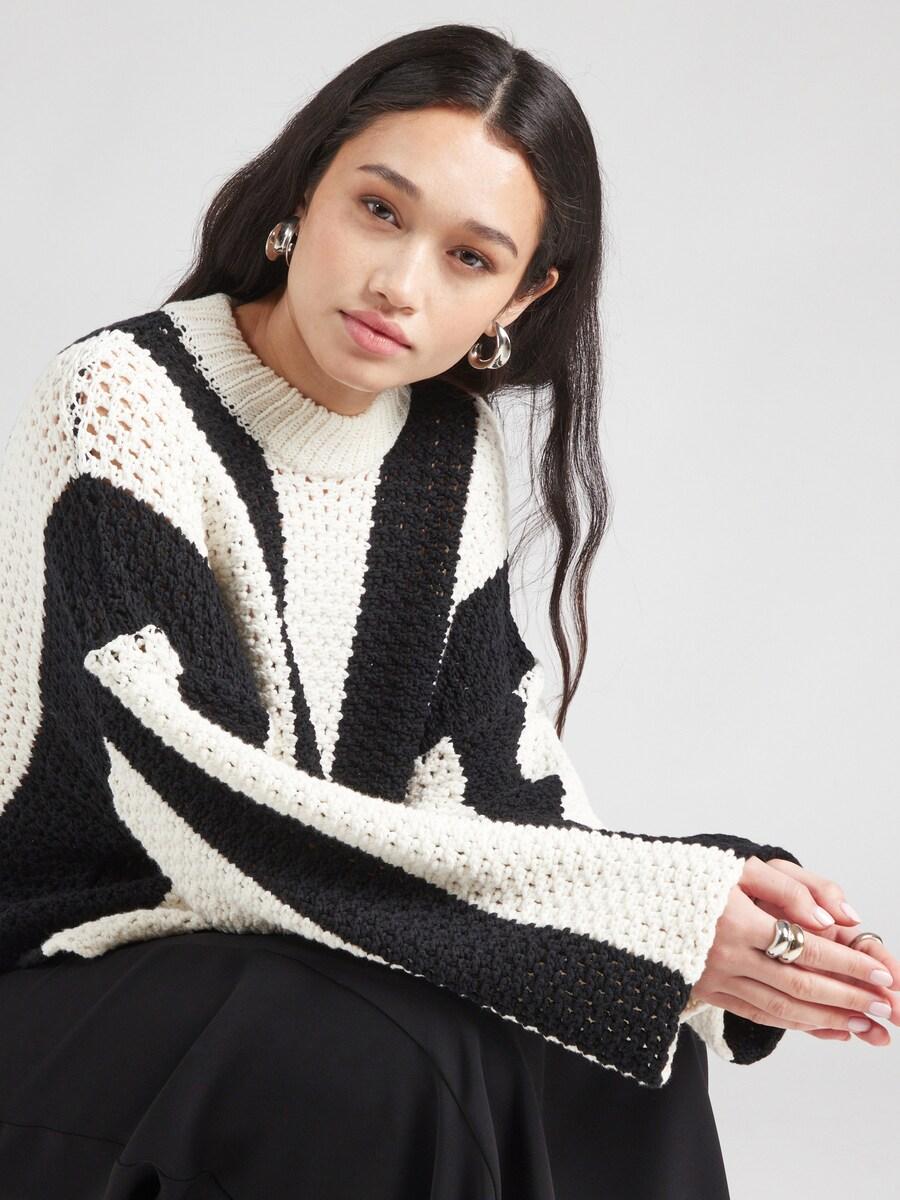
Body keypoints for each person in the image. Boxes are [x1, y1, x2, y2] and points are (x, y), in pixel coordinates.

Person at [0, 21, 895, 1199]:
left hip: (288, 951)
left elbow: (492, 789)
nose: (401, 284)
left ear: (521, 295)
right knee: (388, 1057)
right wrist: (647, 921)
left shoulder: (439, 443)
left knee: (620, 1044)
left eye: (470, 258)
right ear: (306, 192)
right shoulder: (123, 399)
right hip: (69, 967)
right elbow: (198, 810)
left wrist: (708, 898)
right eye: (379, 209)